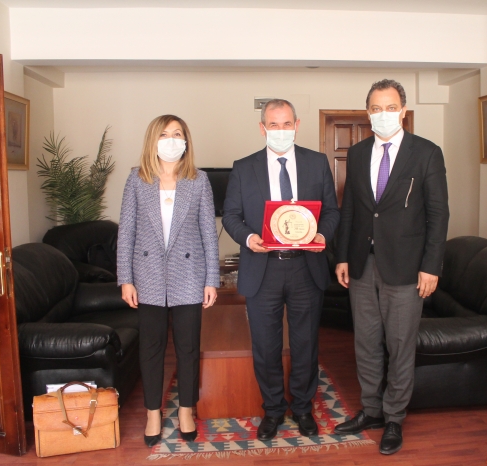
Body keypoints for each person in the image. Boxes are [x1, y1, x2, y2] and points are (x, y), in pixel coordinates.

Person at [334, 79, 450, 455]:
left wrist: (431, 266)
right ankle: (372, 411)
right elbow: (350, 209)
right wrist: (342, 256)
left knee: (400, 346)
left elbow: (438, 214)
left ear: (403, 111)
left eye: (390, 107)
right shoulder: (357, 153)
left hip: (406, 267)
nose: (382, 114)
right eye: (376, 108)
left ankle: (395, 416)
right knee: (366, 342)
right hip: (362, 264)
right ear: (367, 112)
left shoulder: (426, 153)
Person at [222, 99, 340, 441]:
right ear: (262, 128)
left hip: (306, 268)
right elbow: (231, 215)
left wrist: (321, 235)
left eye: (286, 124)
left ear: (297, 125)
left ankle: (303, 408)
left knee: (306, 344)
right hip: (263, 269)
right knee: (266, 347)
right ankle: (273, 410)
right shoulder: (244, 168)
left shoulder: (316, 163)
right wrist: (249, 238)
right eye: (273, 125)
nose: (281, 130)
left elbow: (332, 212)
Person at [117, 114, 219, 447]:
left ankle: (186, 410)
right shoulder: (136, 179)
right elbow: (126, 233)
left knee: (188, 348)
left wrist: (212, 279)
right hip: (147, 275)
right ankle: (152, 413)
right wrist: (125, 279)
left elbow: (209, 233)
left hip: (189, 275)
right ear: (153, 140)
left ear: (186, 141)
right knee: (151, 349)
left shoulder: (199, 180)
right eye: (164, 134)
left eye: (177, 133)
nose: (171, 140)